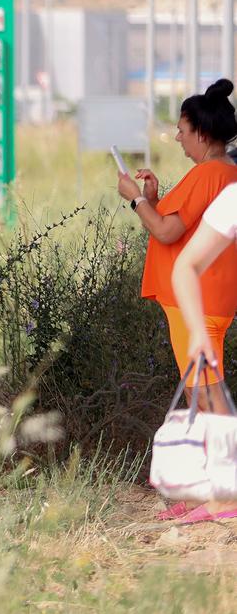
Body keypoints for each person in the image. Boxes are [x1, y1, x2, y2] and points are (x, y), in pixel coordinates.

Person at [117, 78, 237, 522]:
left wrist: (134, 201)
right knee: (199, 392)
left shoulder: (209, 172)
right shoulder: (225, 173)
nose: (179, 139)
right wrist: (152, 198)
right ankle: (203, 487)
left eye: (182, 131)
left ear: (202, 133)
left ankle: (226, 495)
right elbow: (176, 220)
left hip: (197, 301)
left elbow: (166, 231)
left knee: (210, 395)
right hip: (210, 297)